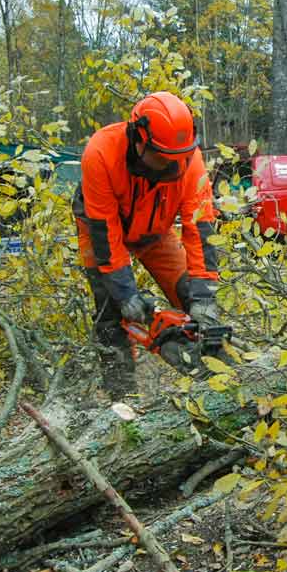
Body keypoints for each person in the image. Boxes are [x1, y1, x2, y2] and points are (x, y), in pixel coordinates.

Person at [72, 92, 222, 397]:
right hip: (101, 229)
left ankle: (217, 380)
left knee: (191, 296)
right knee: (111, 310)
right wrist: (125, 292)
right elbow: (105, 228)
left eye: (177, 159)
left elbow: (200, 226)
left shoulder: (188, 161)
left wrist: (204, 294)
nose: (171, 166)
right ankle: (122, 395)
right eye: (162, 157)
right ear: (138, 137)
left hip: (156, 231)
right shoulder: (101, 152)